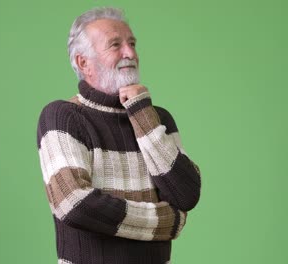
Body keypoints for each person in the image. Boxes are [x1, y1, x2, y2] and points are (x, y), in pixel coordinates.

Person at [36, 6, 201, 264]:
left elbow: (186, 195)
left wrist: (142, 114)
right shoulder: (63, 117)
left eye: (132, 43)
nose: (131, 53)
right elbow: (74, 204)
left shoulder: (157, 118)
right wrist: (166, 221)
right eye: (115, 45)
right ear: (83, 62)